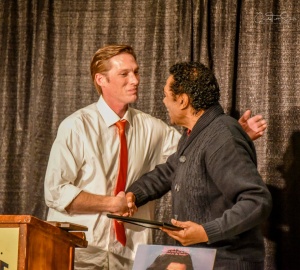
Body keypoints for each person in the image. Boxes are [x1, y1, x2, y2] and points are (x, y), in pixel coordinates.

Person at [44, 44, 267, 269]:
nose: (135, 80)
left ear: (182, 100)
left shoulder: (155, 127)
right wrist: (120, 200)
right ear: (101, 79)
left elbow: (200, 151)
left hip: (130, 255)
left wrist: (234, 136)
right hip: (84, 252)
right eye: (124, 74)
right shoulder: (76, 126)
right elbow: (55, 191)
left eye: (136, 71)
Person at [126, 62, 272, 269]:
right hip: (202, 259)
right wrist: (134, 194)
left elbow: (257, 200)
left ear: (183, 100)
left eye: (166, 95)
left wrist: (205, 232)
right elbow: (170, 169)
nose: (164, 101)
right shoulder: (196, 133)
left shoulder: (222, 136)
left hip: (226, 262)